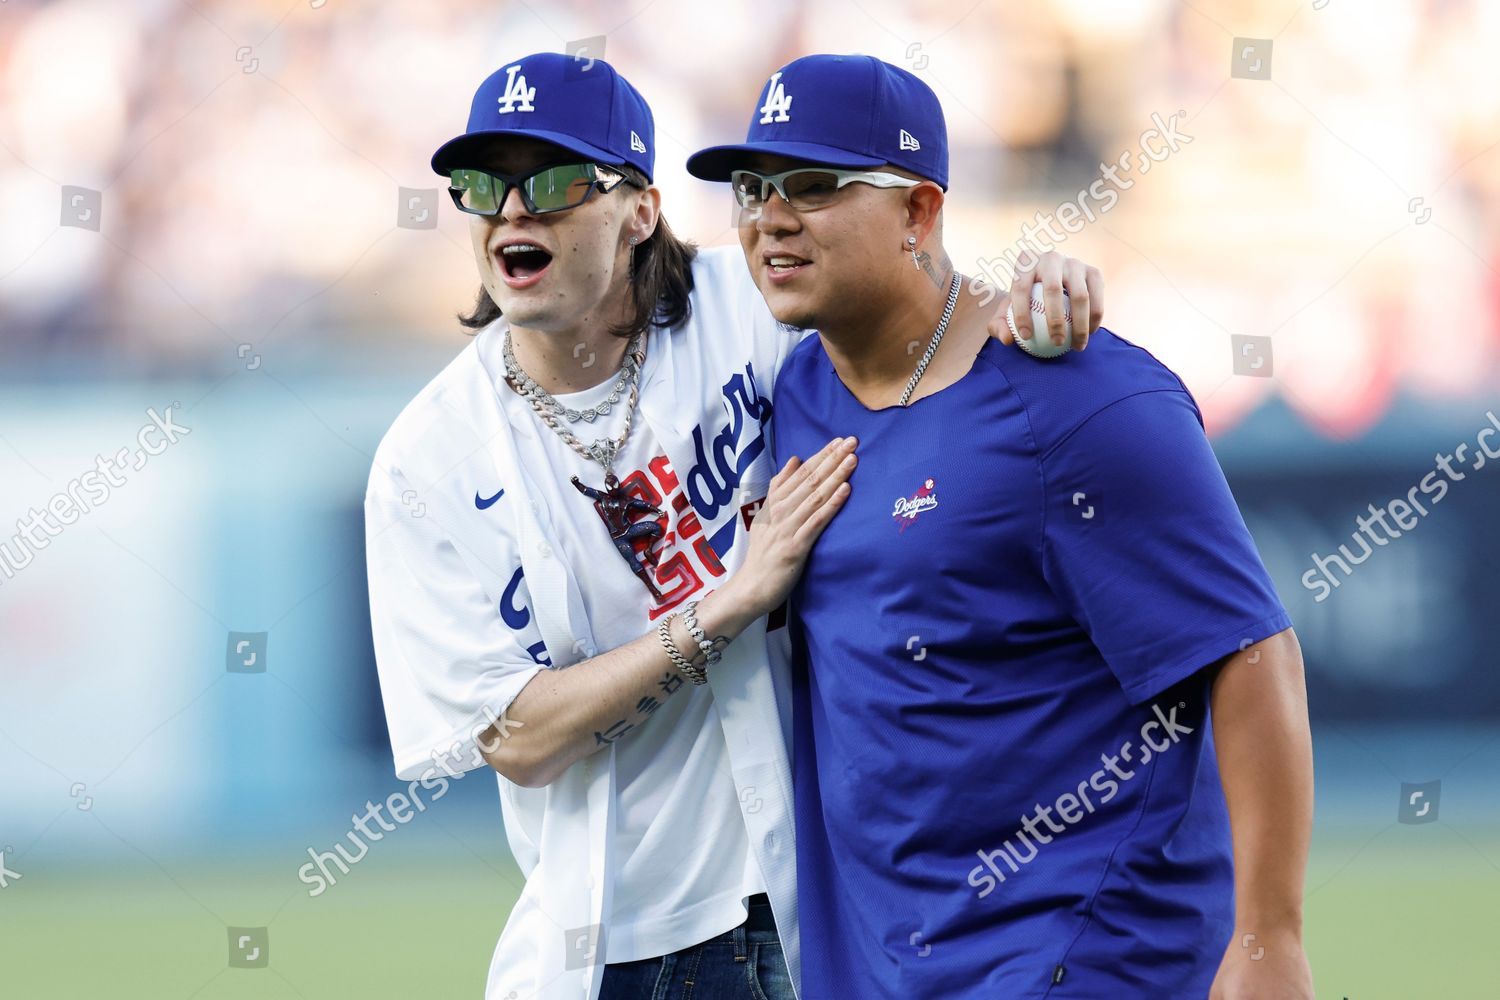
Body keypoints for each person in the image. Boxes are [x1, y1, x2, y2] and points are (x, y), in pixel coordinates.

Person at [366, 51, 1105, 1000]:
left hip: (839, 899)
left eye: (550, 182)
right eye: (481, 185)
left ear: (640, 208)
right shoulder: (427, 461)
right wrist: (726, 606)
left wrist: (1035, 287)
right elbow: (516, 738)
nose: (513, 211)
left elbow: (917, 315)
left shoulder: (755, 309)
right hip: (621, 944)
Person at [688, 54, 1315, 999]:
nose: (770, 217)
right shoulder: (792, 390)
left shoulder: (1083, 397)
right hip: (885, 965)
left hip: (1084, 958)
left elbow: (1249, 652)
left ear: (920, 213)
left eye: (814, 187)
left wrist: (1268, 939)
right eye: (751, 189)